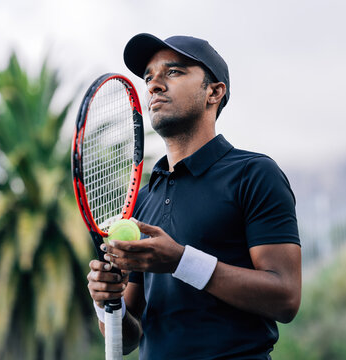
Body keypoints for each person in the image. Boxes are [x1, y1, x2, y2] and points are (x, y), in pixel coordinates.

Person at [86, 33, 302, 359]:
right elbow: (128, 339)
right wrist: (107, 303)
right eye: (148, 78)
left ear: (213, 92)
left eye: (173, 72)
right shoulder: (140, 201)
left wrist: (180, 261)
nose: (154, 85)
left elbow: (285, 298)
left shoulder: (255, 174)